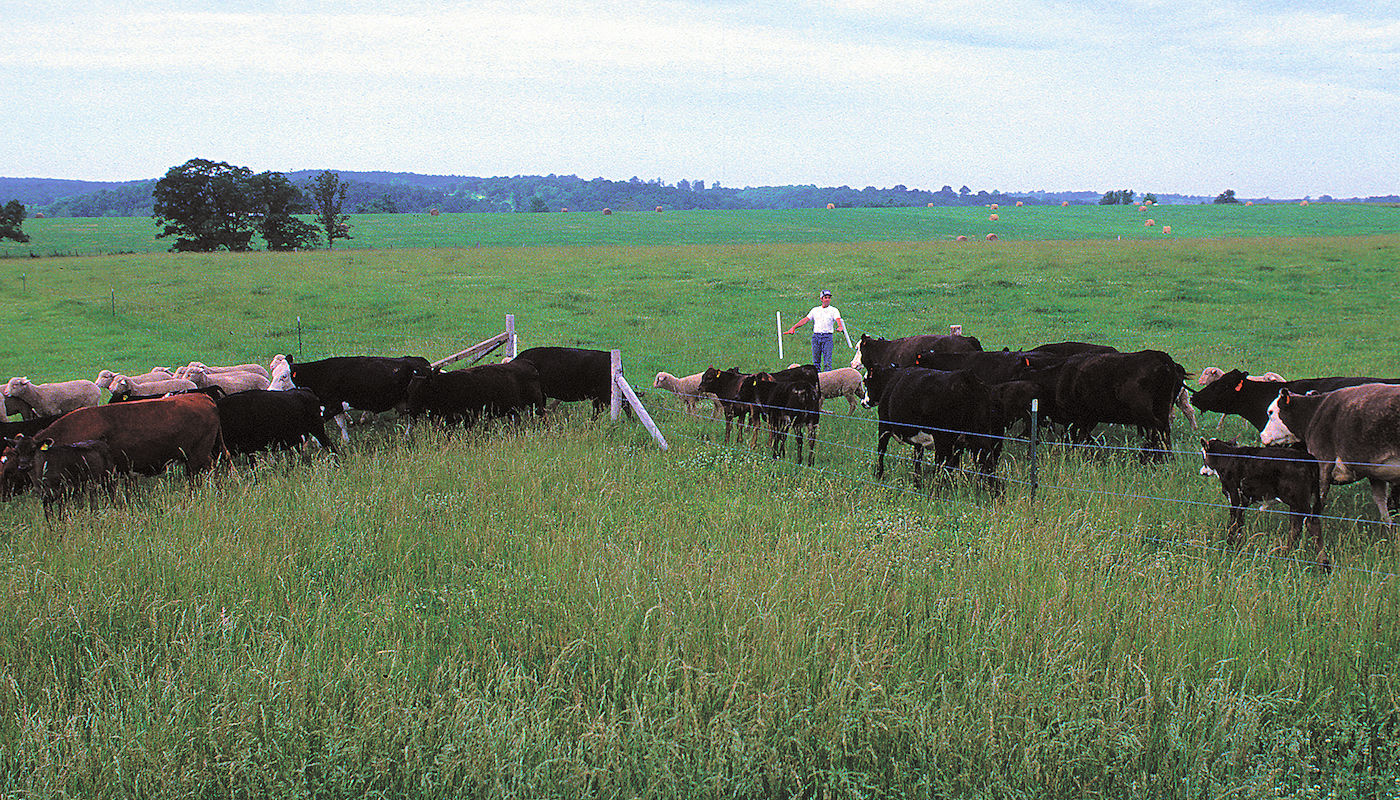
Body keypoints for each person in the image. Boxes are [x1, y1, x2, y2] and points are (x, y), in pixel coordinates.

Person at [784, 289, 845, 371]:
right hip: (816, 337)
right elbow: (805, 319)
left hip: (827, 337)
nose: (827, 299)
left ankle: (828, 380)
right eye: (825, 297)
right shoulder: (815, 310)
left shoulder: (834, 310)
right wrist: (794, 327)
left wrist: (840, 326)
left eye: (829, 298)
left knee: (827, 362)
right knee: (816, 362)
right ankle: (818, 380)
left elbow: (838, 319)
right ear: (821, 299)